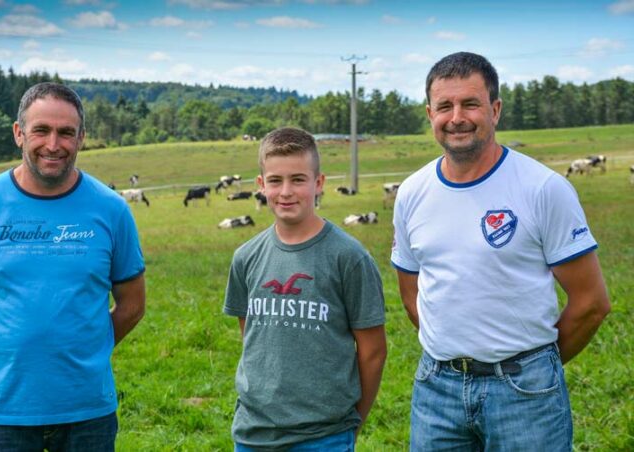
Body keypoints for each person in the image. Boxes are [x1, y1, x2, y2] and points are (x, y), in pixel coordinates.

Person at [391, 51, 610, 450]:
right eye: (445, 106)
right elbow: (410, 290)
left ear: (495, 109)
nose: (457, 117)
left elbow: (592, 302)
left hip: (525, 394)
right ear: (429, 114)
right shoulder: (411, 193)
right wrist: (451, 350)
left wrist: (531, 369)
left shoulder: (542, 188)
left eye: (470, 103)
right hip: (437, 391)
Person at [0, 82, 146, 451]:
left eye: (66, 132)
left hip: (88, 414)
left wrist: (84, 351)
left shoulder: (112, 209)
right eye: (41, 130)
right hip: (1, 414)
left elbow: (132, 305)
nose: (54, 144)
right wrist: (0, 356)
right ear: (19, 133)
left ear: (81, 137)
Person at [223, 127, 387, 451]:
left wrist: (354, 420)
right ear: (260, 186)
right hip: (253, 433)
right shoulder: (246, 257)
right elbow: (251, 334)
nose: (286, 191)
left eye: (298, 179)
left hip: (323, 436)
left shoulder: (349, 258)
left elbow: (373, 351)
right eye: (275, 181)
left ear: (319, 183)